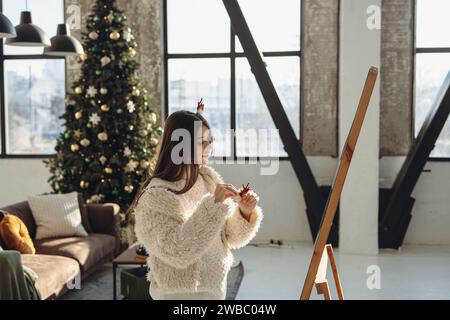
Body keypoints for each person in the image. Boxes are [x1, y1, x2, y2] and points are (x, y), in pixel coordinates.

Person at [130, 100, 263, 300]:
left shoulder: (207, 179)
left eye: (210, 140)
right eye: (202, 142)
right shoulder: (155, 195)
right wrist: (214, 205)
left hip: (215, 290)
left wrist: (244, 212)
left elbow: (229, 237)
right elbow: (178, 251)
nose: (209, 146)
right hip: (179, 296)